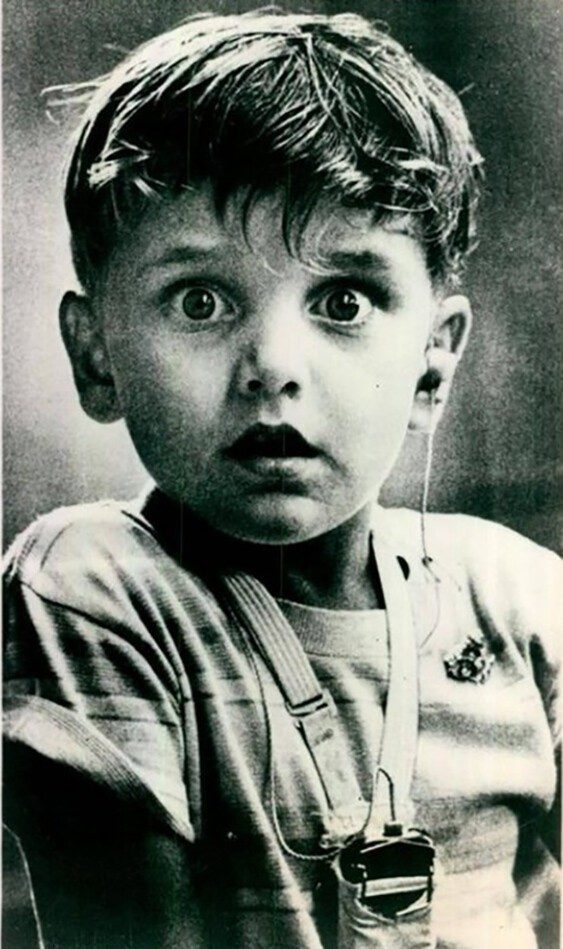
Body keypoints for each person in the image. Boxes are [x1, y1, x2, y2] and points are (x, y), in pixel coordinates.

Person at [3, 10, 560, 948]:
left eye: (342, 300)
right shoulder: (92, 590)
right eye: (201, 300)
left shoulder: (518, 598)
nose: (272, 366)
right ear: (96, 354)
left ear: (431, 363)